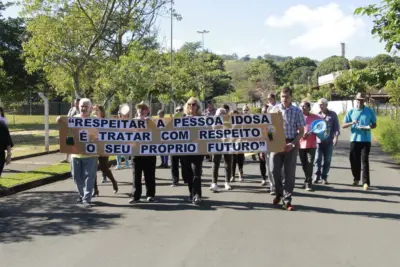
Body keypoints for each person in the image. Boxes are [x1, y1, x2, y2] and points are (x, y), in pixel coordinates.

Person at [57, 98, 97, 208]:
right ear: (78, 107)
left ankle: (87, 198)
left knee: (89, 177)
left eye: (86, 106)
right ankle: (82, 194)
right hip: (76, 155)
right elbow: (66, 132)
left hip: (91, 155)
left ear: (90, 108)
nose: (83, 108)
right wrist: (60, 120)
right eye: (82, 106)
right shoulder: (73, 119)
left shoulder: (96, 120)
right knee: (76, 177)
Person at [270, 87, 305, 211]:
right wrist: (272, 143)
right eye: (282, 96)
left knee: (289, 174)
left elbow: (301, 131)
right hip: (276, 144)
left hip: (291, 143)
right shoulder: (274, 110)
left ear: (291, 97)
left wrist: (293, 144)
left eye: (287, 96)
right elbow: (269, 129)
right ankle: (278, 193)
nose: (284, 99)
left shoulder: (297, 111)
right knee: (274, 170)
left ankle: (287, 200)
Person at [343, 92, 377, 190]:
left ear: (364, 101)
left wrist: (369, 126)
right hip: (354, 140)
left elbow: (374, 124)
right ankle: (356, 178)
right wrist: (351, 122)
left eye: (362, 100)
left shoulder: (369, 111)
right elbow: (343, 125)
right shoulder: (351, 111)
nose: (360, 101)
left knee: (364, 161)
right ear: (356, 100)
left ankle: (366, 182)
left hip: (365, 140)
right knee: (354, 160)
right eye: (358, 99)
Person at [129, 101, 157, 203]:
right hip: (136, 153)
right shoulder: (132, 122)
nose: (141, 110)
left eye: (144, 108)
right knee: (136, 175)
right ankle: (136, 196)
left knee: (150, 175)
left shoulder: (152, 122)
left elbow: (157, 135)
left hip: (149, 152)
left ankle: (150, 195)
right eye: (139, 108)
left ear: (148, 111)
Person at [92, 105, 118, 197]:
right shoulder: (89, 121)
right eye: (94, 110)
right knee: (92, 169)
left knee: (104, 167)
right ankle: (95, 189)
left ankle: (114, 181)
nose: (95, 112)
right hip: (92, 147)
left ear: (101, 112)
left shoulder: (106, 122)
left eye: (97, 110)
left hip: (103, 147)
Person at [181, 97, 204, 204]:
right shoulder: (182, 118)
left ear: (197, 106)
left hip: (198, 150)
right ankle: (191, 193)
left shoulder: (202, 118)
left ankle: (197, 195)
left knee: (196, 172)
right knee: (188, 174)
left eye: (193, 104)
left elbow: (207, 132)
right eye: (189, 104)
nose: (191, 106)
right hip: (185, 150)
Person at [314, 98, 340, 185]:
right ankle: (316, 176)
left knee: (327, 160)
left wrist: (336, 138)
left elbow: (336, 127)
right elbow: (314, 128)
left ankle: (324, 177)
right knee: (317, 159)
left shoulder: (333, 115)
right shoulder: (317, 115)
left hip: (329, 141)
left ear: (326, 105)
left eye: (322, 104)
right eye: (319, 105)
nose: (320, 106)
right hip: (319, 141)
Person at [298, 100, 320, 191]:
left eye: (304, 106)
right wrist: (301, 133)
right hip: (300, 143)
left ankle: (308, 183)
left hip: (312, 143)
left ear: (309, 107)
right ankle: (307, 179)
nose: (302, 108)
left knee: (310, 163)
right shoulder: (298, 117)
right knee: (304, 164)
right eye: (301, 106)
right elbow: (293, 128)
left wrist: (313, 132)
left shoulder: (315, 117)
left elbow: (321, 126)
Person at [210, 107, 233, 192]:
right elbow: (211, 131)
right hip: (217, 144)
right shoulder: (214, 122)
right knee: (215, 163)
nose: (222, 115)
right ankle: (214, 183)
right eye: (220, 113)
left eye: (223, 113)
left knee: (228, 163)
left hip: (228, 144)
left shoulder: (229, 121)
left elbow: (233, 131)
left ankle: (227, 182)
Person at [170, 106, 187, 186]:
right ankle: (175, 180)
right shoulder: (171, 121)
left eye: (180, 110)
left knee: (184, 164)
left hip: (183, 146)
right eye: (177, 110)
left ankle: (186, 179)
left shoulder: (187, 121)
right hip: (173, 146)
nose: (178, 111)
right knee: (174, 164)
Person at [61, 98, 80, 163]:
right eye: (76, 103)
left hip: (78, 131)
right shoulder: (72, 109)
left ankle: (74, 158)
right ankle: (67, 159)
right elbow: (68, 117)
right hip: (71, 130)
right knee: (69, 143)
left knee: (77, 144)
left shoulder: (81, 110)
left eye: (78, 103)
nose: (76, 104)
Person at [258, 105, 273, 189]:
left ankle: (276, 183)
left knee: (273, 167)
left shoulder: (272, 122)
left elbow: (272, 137)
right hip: (262, 146)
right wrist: (261, 150)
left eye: (266, 111)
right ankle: (265, 179)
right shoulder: (258, 123)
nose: (264, 113)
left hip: (272, 147)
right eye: (263, 112)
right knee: (264, 164)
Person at [230, 110, 245, 182]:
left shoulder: (241, 123)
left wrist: (241, 139)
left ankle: (240, 173)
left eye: (236, 115)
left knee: (240, 159)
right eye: (233, 115)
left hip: (240, 142)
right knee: (233, 160)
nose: (234, 116)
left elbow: (244, 131)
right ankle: (232, 175)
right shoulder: (229, 123)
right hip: (232, 143)